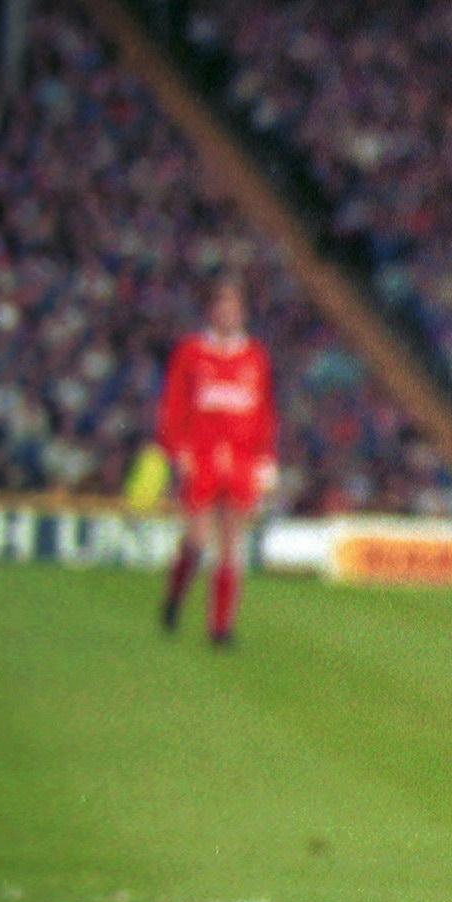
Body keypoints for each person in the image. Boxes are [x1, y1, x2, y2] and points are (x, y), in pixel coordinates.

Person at [156, 276, 276, 649]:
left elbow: (264, 412)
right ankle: (176, 595)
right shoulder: (192, 351)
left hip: (240, 459)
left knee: (231, 541)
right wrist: (178, 449)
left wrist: (265, 458)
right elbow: (174, 402)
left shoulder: (255, 356)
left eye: (234, 307)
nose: (228, 314)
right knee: (196, 536)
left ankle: (220, 627)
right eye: (222, 306)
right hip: (203, 456)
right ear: (211, 311)